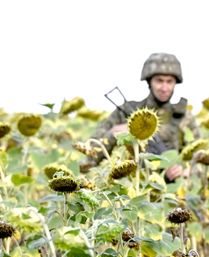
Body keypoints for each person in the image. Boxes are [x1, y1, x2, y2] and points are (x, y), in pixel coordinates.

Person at [81, 52, 200, 181]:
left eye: (169, 82)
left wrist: (184, 170)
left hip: (170, 194)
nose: (164, 88)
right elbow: (89, 158)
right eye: (159, 81)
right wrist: (114, 134)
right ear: (149, 81)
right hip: (131, 190)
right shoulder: (126, 112)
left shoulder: (184, 117)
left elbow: (199, 157)